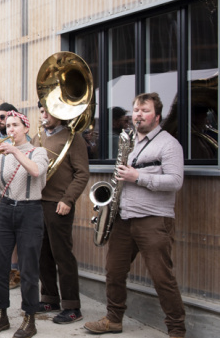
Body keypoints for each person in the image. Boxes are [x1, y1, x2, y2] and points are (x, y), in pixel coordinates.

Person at [84, 93, 186, 338]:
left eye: (145, 110)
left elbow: (175, 181)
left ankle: (176, 329)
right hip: (124, 217)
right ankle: (113, 319)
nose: (138, 115)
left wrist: (137, 177)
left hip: (153, 219)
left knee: (162, 277)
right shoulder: (128, 142)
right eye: (136, 110)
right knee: (113, 271)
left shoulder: (169, 144)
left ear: (157, 116)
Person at [0, 111, 49, 338]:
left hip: (31, 209)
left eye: (15, 125)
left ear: (26, 128)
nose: (10, 130)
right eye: (8, 126)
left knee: (28, 268)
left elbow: (36, 171)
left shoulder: (39, 152)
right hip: (5, 208)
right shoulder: (1, 156)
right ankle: (1, 314)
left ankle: (29, 318)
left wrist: (15, 151)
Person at [33, 100, 89, 324]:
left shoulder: (73, 137)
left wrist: (68, 199)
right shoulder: (38, 136)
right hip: (38, 202)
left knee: (62, 255)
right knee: (41, 253)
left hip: (59, 204)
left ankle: (72, 306)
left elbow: (82, 174)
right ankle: (49, 298)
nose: (43, 114)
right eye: (41, 110)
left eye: (47, 110)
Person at [0, 102, 26, 289]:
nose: (0, 121)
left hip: (13, 194)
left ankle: (14, 271)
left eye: (3, 117)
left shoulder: (22, 140)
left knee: (13, 235)